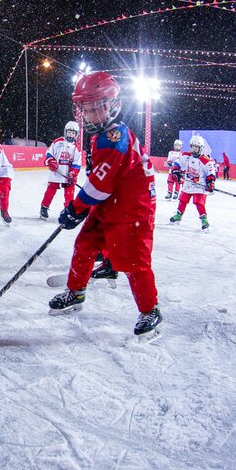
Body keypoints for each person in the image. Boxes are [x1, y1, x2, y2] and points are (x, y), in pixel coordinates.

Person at [49, 71, 162, 337]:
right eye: (85, 109)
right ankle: (76, 293)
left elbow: (100, 184)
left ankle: (150, 309)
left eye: (94, 109)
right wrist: (82, 207)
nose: (88, 116)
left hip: (132, 210)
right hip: (109, 204)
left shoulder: (114, 139)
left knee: (135, 265)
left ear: (112, 106)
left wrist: (75, 210)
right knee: (85, 245)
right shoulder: (103, 134)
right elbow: (101, 184)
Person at [169, 135, 217, 230]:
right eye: (192, 146)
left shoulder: (206, 160)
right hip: (188, 184)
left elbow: (211, 173)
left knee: (198, 202)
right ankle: (179, 215)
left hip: (200, 186)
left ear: (201, 148)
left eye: (196, 147)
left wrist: (210, 182)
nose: (194, 149)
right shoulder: (186, 156)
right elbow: (177, 163)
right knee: (182, 199)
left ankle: (204, 219)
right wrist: (176, 171)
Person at [39, 121, 81, 220]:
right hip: (56, 173)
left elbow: (77, 164)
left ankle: (68, 211)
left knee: (69, 193)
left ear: (76, 134)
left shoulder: (76, 148)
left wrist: (73, 173)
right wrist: (51, 161)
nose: (71, 134)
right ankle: (44, 207)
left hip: (68, 175)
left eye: (73, 133)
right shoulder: (57, 142)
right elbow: (49, 153)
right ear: (65, 132)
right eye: (69, 132)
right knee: (50, 191)